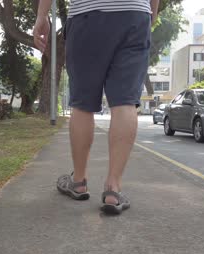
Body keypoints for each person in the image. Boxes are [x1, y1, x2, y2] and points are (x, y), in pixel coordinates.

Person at [33, 0, 159, 214]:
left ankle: (79, 181)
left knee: (82, 105)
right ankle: (113, 189)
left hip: (86, 15)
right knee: (125, 102)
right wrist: (150, 13)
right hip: (135, 15)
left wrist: (42, 16)